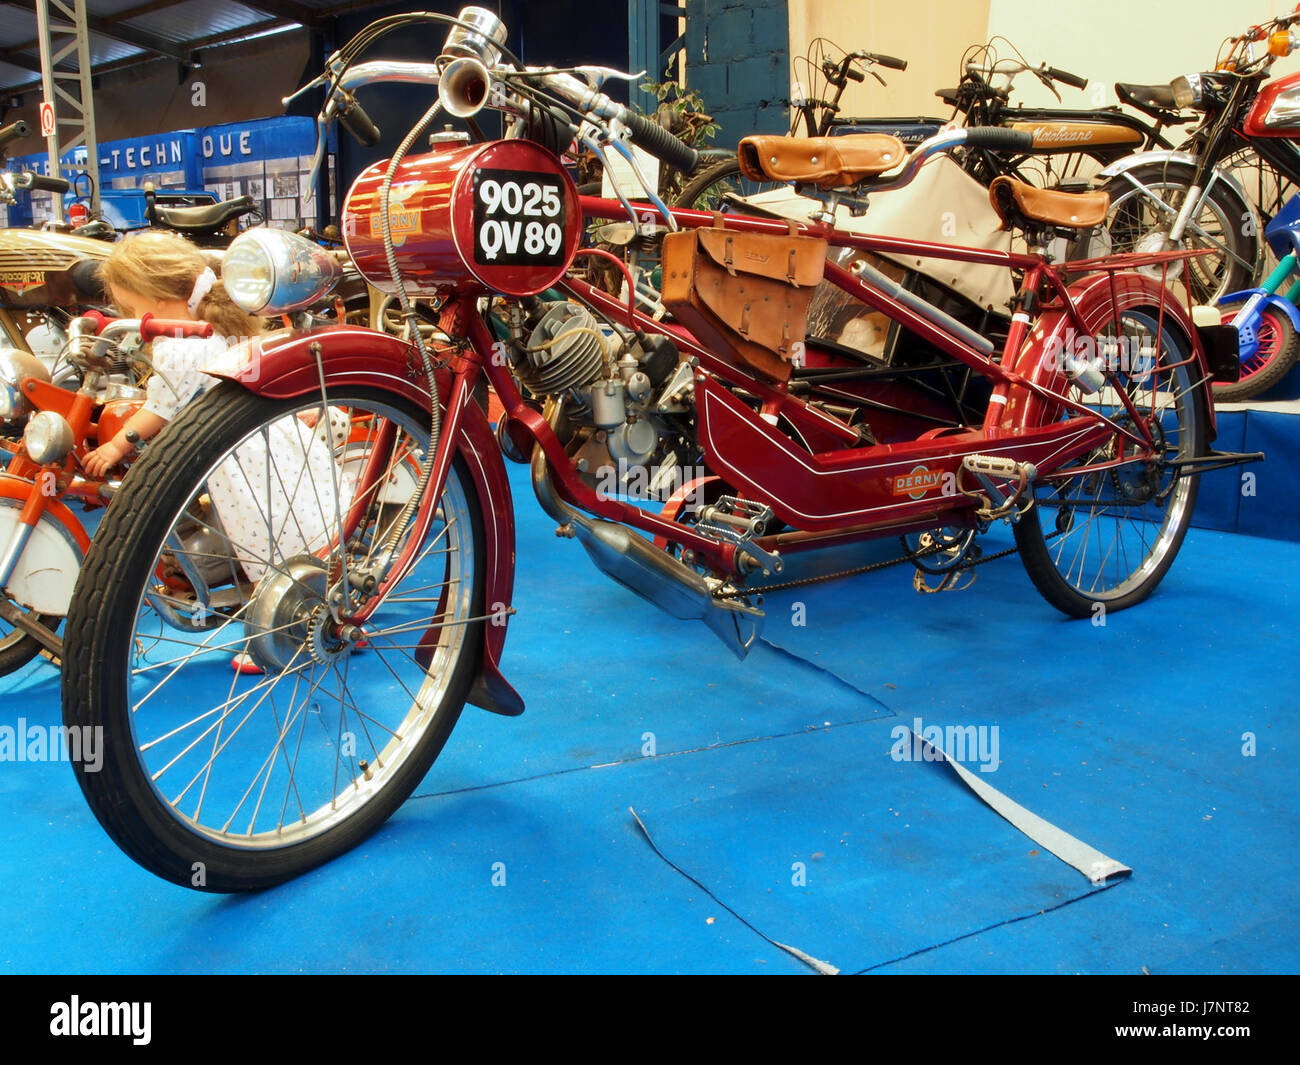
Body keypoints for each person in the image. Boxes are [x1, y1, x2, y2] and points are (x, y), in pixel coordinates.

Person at [83, 230, 263, 478]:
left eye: (134, 309)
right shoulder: (207, 334)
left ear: (156, 297)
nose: (134, 319)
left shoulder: (182, 348)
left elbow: (160, 408)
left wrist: (116, 446)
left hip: (234, 458)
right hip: (246, 441)